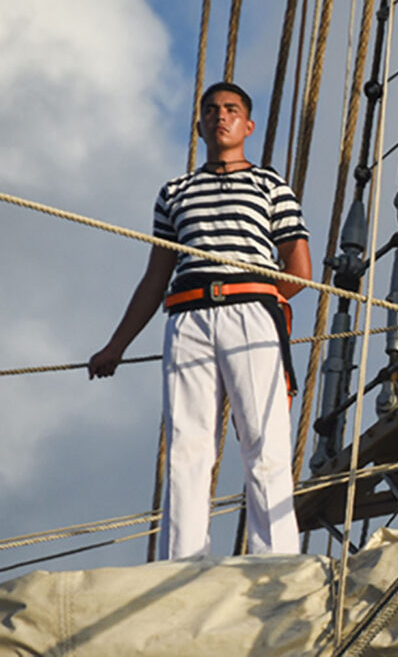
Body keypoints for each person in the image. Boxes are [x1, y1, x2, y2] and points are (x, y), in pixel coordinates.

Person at [89, 82, 312, 558]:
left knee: (263, 439)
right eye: (211, 110)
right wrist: (116, 347)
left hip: (251, 314)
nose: (220, 117)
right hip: (187, 317)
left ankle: (276, 559)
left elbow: (299, 268)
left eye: (231, 110)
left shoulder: (271, 186)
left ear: (248, 126)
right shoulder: (174, 193)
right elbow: (155, 277)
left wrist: (260, 300)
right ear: (200, 125)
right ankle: (183, 563)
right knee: (188, 447)